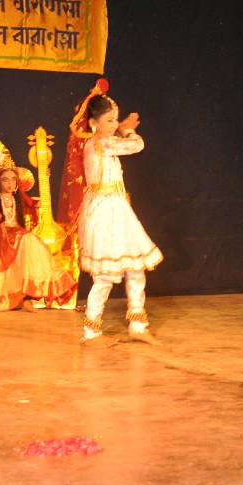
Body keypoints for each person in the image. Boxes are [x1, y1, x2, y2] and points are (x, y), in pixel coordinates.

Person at [60, 79, 164, 345]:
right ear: (93, 123)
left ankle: (138, 326)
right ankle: (91, 332)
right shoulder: (99, 143)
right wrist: (128, 130)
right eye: (109, 120)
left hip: (116, 210)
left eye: (116, 120)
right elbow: (137, 145)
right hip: (105, 213)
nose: (114, 125)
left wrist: (122, 128)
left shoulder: (102, 143)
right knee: (105, 275)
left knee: (135, 267)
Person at [0, 142, 77, 311]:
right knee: (26, 238)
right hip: (0, 238)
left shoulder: (19, 201)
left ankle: (27, 297)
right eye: (5, 179)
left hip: (18, 237)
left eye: (13, 179)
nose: (10, 183)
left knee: (32, 243)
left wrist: (45, 179)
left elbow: (42, 204)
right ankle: (24, 299)